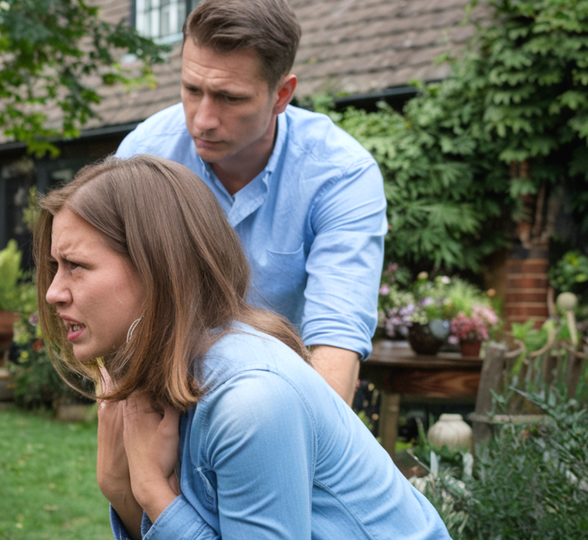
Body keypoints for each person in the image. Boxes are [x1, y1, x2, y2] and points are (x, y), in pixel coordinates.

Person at [34, 155, 450, 540]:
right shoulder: (166, 378)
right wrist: (120, 488)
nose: (54, 293)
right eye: (55, 268)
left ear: (156, 267)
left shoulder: (251, 400)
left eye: (77, 266)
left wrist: (151, 490)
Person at [115, 0, 387, 404]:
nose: (203, 119)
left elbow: (335, 339)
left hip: (281, 398)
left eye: (230, 98)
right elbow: (112, 295)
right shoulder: (144, 156)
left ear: (282, 94)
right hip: (161, 393)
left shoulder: (340, 175)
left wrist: (311, 449)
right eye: (192, 90)